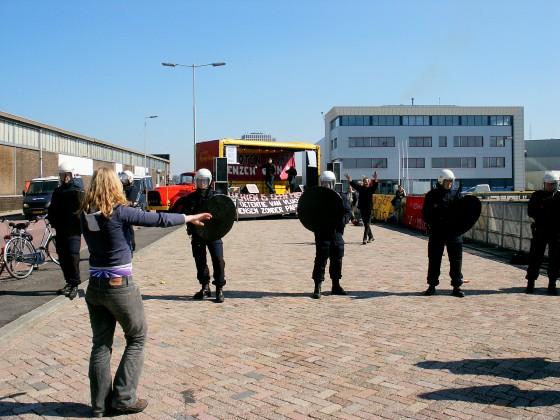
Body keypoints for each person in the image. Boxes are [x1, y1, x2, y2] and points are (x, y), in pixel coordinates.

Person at [80, 167, 211, 417]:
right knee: (137, 338)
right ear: (115, 186)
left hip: (94, 286)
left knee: (100, 345)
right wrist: (190, 217)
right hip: (119, 285)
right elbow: (159, 219)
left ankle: (98, 406)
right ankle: (123, 398)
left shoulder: (85, 215)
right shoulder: (119, 213)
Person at [181, 168, 227, 303]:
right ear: (196, 181)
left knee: (218, 260)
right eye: (200, 180)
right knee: (200, 261)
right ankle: (205, 286)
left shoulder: (217, 196)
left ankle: (219, 288)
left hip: (214, 234)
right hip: (197, 234)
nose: (202, 183)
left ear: (209, 181)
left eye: (205, 181)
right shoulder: (190, 198)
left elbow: (224, 215)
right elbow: (187, 216)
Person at [422, 169, 465, 298]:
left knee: (456, 261)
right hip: (437, 232)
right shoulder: (431, 195)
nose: (450, 184)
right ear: (441, 181)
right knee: (434, 259)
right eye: (447, 181)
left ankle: (457, 286)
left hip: (454, 232)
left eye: (451, 181)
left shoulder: (456, 195)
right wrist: (435, 221)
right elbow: (426, 214)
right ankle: (432, 285)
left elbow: (462, 213)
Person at [311, 171, 353, 299]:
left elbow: (348, 211)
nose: (327, 185)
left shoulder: (341, 196)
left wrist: (343, 221)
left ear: (334, 183)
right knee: (321, 259)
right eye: (324, 182)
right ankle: (317, 286)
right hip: (322, 233)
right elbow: (309, 213)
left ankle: (336, 285)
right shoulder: (317, 197)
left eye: (329, 182)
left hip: (336, 233)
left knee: (337, 259)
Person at [48, 162, 84, 300]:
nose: (65, 177)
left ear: (72, 175)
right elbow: (52, 209)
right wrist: (53, 221)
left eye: (67, 175)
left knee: (73, 255)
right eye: (62, 175)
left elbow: (82, 209)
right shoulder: (58, 191)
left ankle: (75, 283)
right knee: (62, 257)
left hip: (74, 230)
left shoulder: (78, 190)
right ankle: (69, 282)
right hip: (61, 230)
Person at [525, 171, 560, 295]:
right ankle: (530, 283)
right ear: (544, 184)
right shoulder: (537, 195)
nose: (550, 186)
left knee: (555, 259)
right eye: (548, 184)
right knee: (535, 257)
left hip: (556, 233)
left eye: (553, 184)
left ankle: (552, 284)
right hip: (540, 231)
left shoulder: (558, 196)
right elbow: (530, 211)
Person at [345, 172, 379, 244]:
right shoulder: (361, 188)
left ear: (369, 182)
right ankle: (371, 237)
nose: (366, 182)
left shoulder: (371, 189)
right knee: (366, 224)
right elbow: (354, 185)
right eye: (365, 181)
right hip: (362, 208)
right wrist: (349, 179)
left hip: (369, 209)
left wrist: (375, 179)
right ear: (363, 182)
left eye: (367, 181)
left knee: (367, 224)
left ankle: (364, 238)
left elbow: (375, 186)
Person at [119, 170, 138, 252]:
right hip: (122, 211)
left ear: (130, 179)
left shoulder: (133, 188)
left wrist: (120, 203)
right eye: (122, 178)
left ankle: (131, 246)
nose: (123, 180)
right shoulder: (121, 188)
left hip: (129, 212)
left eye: (125, 178)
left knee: (129, 229)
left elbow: (131, 202)